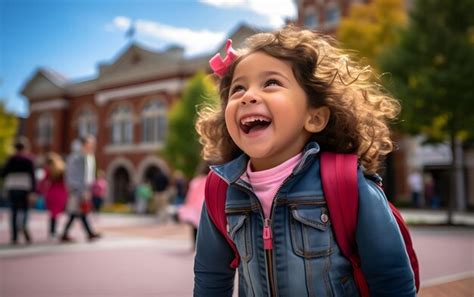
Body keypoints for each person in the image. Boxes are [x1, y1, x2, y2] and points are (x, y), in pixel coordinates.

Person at [194, 26, 416, 296]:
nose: (248, 96)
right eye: (238, 88)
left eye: (271, 83)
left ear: (315, 117)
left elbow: (391, 279)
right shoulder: (221, 190)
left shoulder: (345, 183)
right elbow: (211, 278)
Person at [60, 136, 101, 242]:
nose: (93, 146)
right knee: (78, 212)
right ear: (84, 144)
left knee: (78, 212)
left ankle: (69, 233)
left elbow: (88, 176)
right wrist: (82, 190)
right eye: (90, 143)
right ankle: (88, 233)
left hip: (81, 189)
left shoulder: (87, 156)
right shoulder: (77, 157)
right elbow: (74, 175)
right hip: (77, 190)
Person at [1, 137, 36, 245]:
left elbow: (2, 173)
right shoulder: (29, 160)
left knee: (14, 211)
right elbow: (33, 177)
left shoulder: (10, 160)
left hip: (13, 187)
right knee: (25, 210)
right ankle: (23, 225)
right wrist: (33, 191)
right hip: (25, 188)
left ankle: (14, 236)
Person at [178, 163, 209, 248]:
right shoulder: (209, 180)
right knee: (206, 226)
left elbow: (191, 194)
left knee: (195, 226)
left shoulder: (196, 180)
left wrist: (187, 203)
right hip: (205, 204)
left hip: (195, 206)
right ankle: (204, 244)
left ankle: (195, 244)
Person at [38, 152, 67, 239]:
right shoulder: (62, 168)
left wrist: (41, 192)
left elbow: (43, 182)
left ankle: (52, 231)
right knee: (57, 213)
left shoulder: (48, 170)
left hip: (51, 193)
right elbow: (66, 182)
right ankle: (54, 231)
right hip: (61, 193)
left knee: (53, 214)